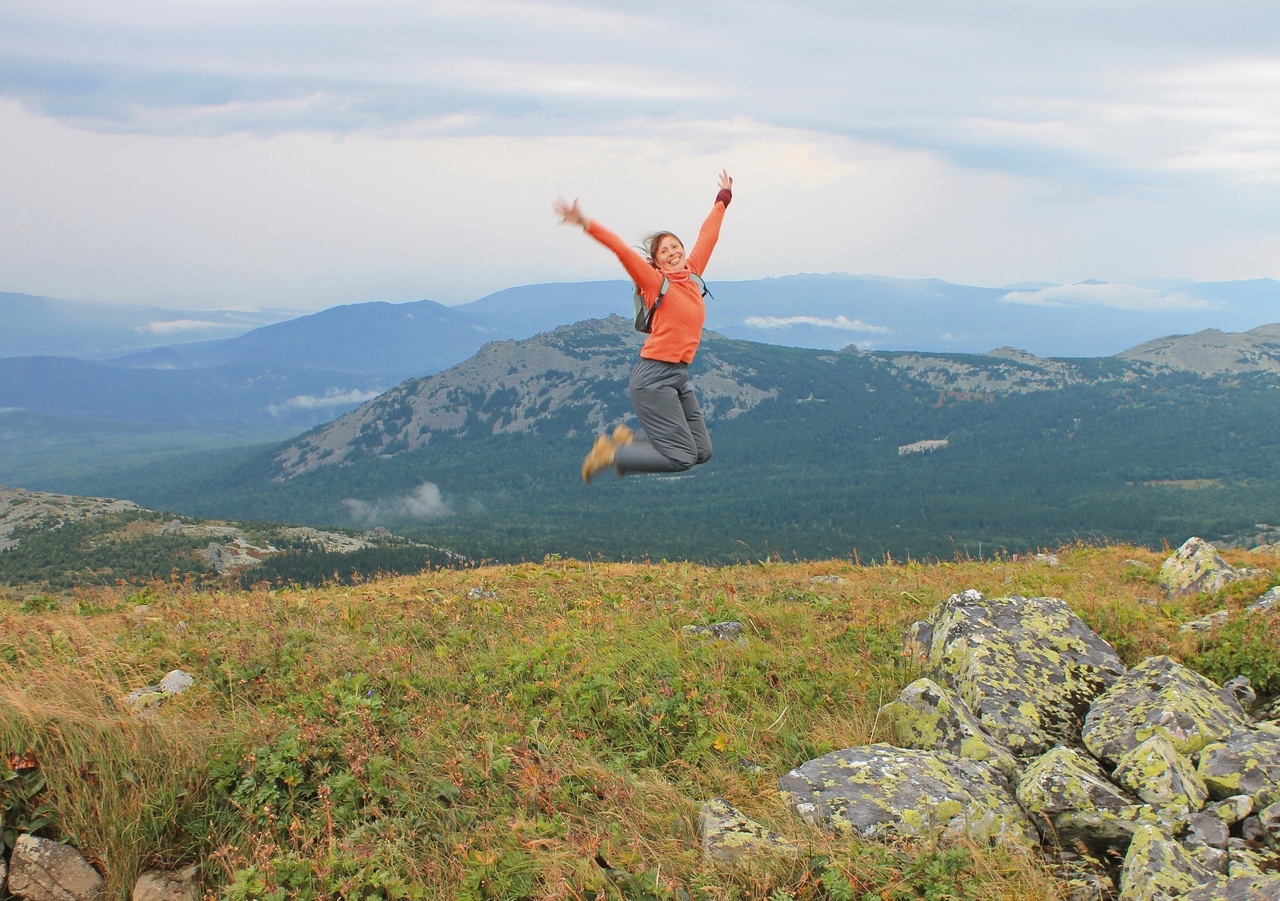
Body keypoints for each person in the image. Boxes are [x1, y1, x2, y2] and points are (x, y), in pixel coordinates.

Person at [555, 170, 733, 483]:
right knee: (681, 458)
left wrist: (723, 198)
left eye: (676, 246)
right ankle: (612, 454)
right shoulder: (654, 283)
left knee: (702, 452)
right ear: (657, 263)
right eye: (665, 251)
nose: (674, 252)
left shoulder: (691, 275)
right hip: (654, 376)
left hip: (679, 375)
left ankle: (627, 442)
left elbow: (709, 235)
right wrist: (585, 223)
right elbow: (622, 250)